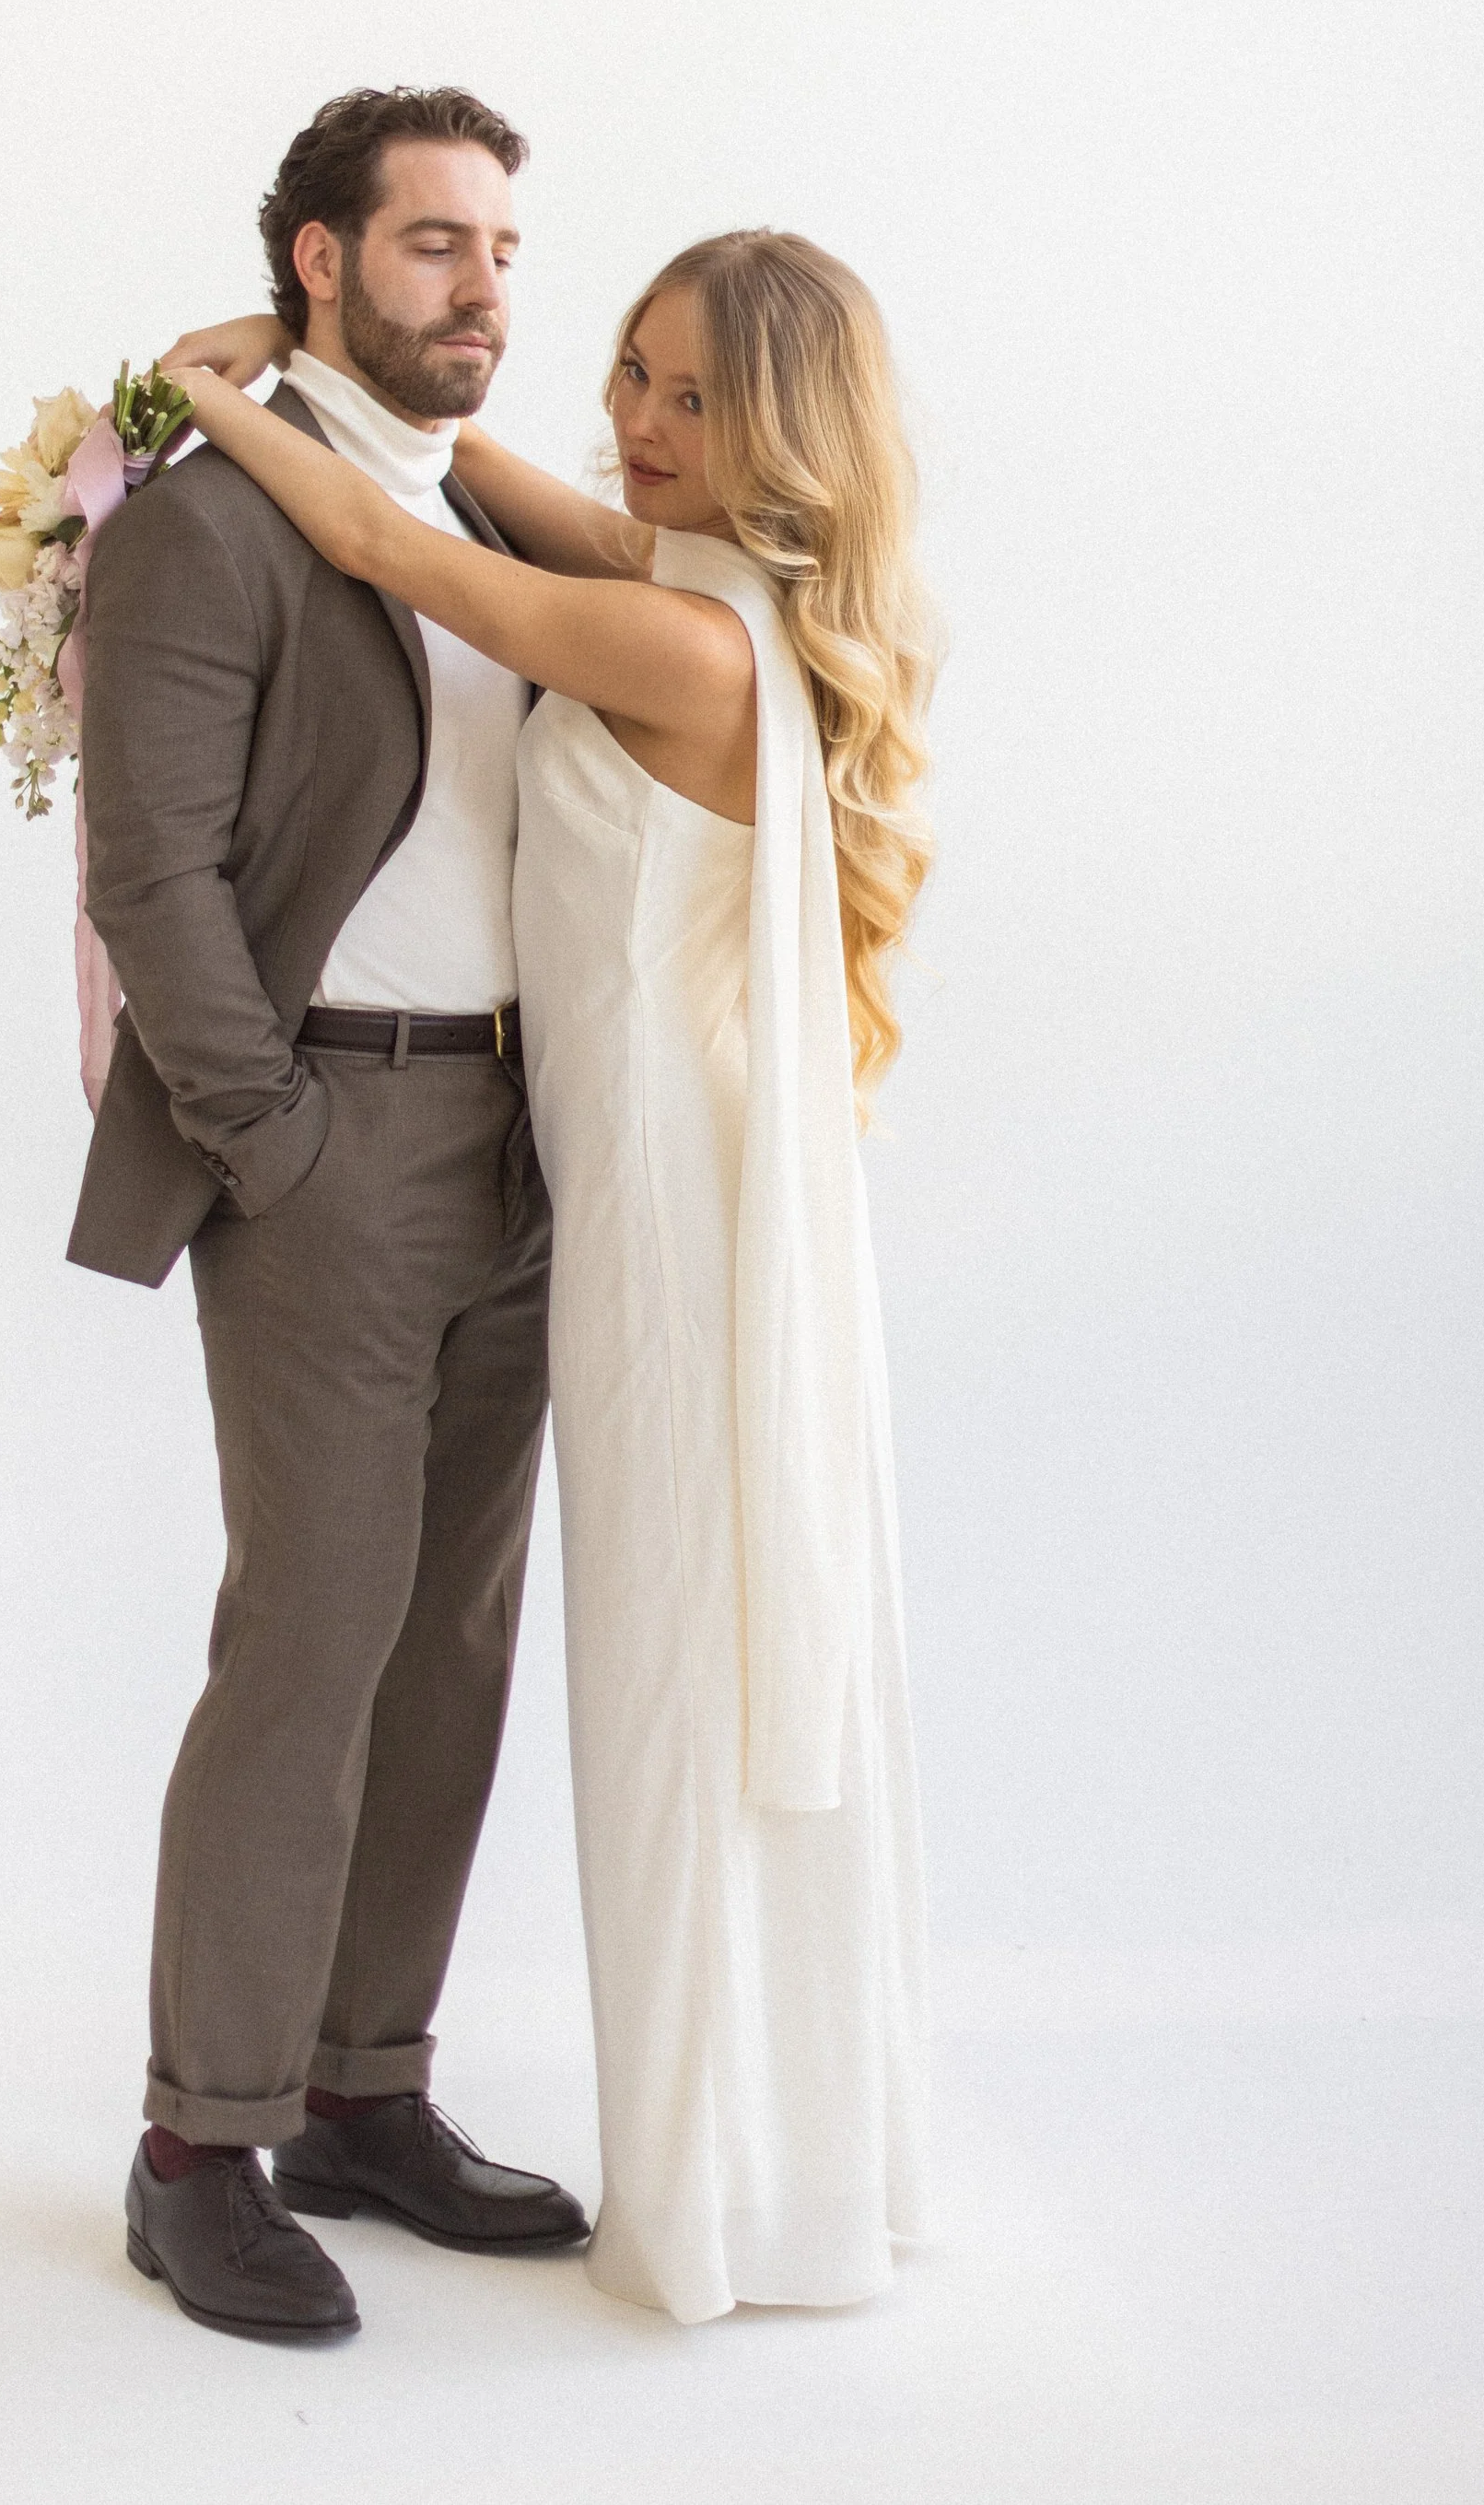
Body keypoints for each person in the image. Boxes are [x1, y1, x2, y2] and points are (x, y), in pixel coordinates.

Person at [168, 225, 936, 2322]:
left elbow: (399, 544)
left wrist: (197, 390)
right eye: (631, 369)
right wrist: (328, 357)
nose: (639, 423)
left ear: (781, 433)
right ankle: (677, 2143)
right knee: (627, 1656)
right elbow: (494, 484)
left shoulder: (689, 646)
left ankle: (727, 2186)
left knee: (678, 1673)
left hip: (676, 1230)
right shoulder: (688, 582)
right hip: (603, 1192)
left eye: (692, 397)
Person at [69, 86, 589, 2348]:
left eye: (496, 248)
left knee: (450, 1641)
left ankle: (362, 2089)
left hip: (519, 1142)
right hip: (333, 1149)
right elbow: (149, 869)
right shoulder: (208, 526)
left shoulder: (461, 494)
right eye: (428, 247)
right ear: (314, 261)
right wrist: (265, 1138)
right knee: (311, 1635)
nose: (478, 287)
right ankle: (199, 2139)